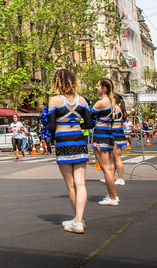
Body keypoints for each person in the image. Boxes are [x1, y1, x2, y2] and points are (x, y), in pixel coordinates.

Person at [48, 68, 94, 233]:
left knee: (71, 185)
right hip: (79, 140)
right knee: (81, 183)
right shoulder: (82, 101)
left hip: (63, 141)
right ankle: (78, 220)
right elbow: (89, 124)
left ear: (57, 82)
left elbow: (51, 126)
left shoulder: (54, 101)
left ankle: (77, 219)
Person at [92, 78, 119, 206]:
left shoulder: (101, 102)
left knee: (105, 168)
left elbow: (89, 115)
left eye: (98, 86)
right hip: (107, 133)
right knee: (107, 167)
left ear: (104, 89)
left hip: (100, 133)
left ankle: (112, 197)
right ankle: (112, 195)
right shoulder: (111, 101)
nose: (96, 87)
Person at [110, 94, 127, 186]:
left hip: (115, 133)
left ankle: (121, 178)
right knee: (113, 158)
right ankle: (111, 177)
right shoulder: (119, 108)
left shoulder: (115, 109)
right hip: (118, 132)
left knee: (117, 158)